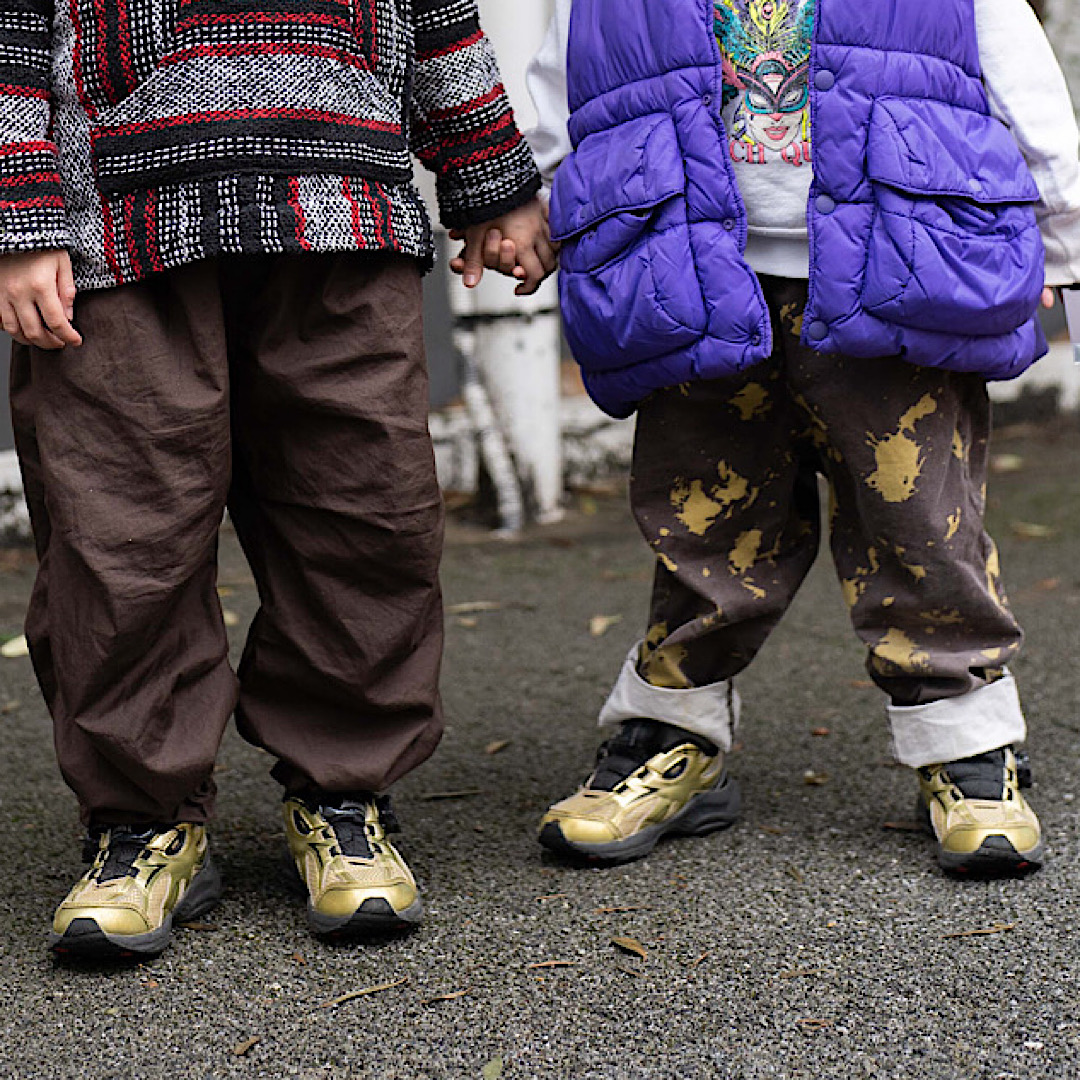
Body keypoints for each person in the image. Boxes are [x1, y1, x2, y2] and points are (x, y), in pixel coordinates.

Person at [0, 0, 553, 957]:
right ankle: (141, 821)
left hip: (347, 201)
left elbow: (440, 16)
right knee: (119, 531)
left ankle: (344, 792)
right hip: (115, 228)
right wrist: (20, 214)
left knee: (365, 513)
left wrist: (489, 180)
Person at [524, 0, 1080, 874]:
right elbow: (571, 94)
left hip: (898, 265)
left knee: (920, 519)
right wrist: (549, 211)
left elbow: (1023, 84)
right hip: (695, 267)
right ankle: (673, 732)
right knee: (700, 517)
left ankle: (967, 747)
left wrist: (1059, 241)